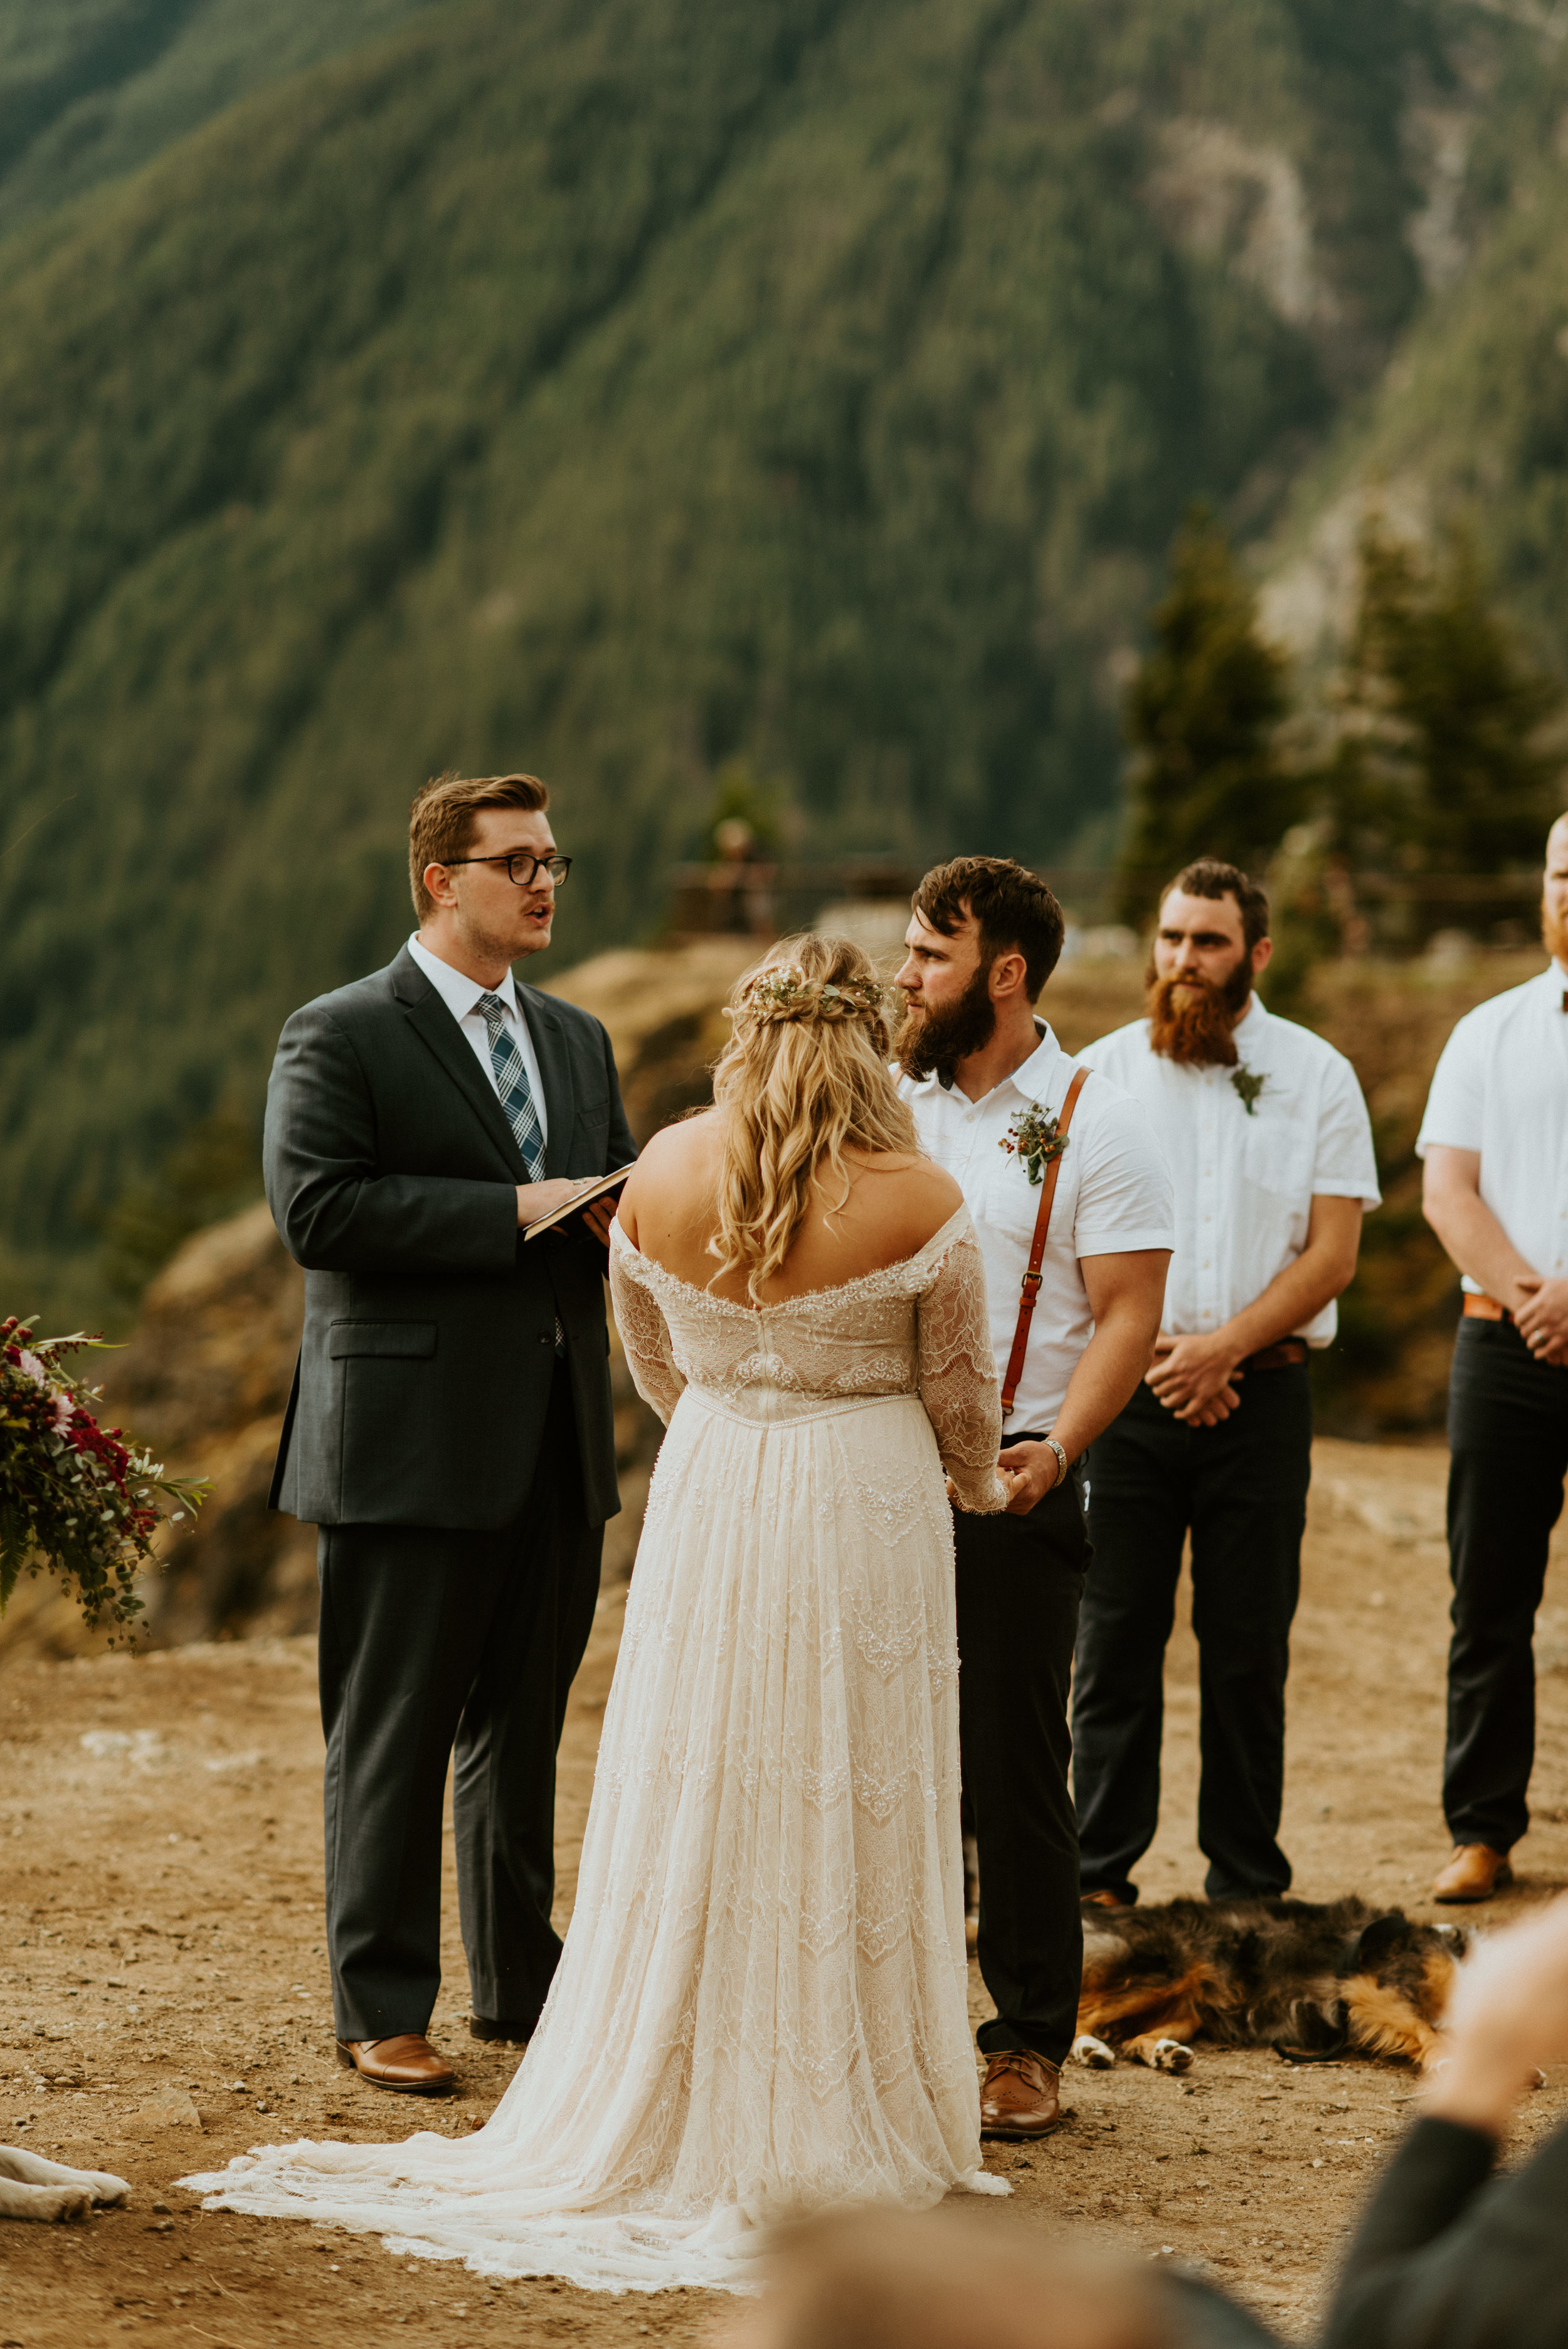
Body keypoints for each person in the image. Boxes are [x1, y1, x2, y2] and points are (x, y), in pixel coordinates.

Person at [185, 933, 1013, 2291]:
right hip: (858, 1506)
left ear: (745, 1033)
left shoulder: (664, 1173)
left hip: (711, 1498)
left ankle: (659, 2055)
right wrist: (976, 1480)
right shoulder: (918, 1196)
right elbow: (962, 1400)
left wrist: (739, 1428)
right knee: (838, 1777)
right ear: (866, 1040)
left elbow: (652, 1366)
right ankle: (836, 2074)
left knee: (700, 1779)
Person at [260, 770, 633, 2092]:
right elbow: (320, 1212)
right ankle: (381, 2007)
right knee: (392, 1730)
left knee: (519, 1729)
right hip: (403, 1445)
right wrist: (519, 1208)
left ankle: (522, 1995)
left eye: (554, 861)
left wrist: (622, 1220)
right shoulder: (340, 1031)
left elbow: (608, 1211)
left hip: (552, 1439)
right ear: (441, 879)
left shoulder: (581, 1039)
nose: (544, 881)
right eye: (517, 860)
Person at [894, 857, 1173, 2142]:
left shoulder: (1094, 1117)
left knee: (1009, 1767)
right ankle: (879, 2021)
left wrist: (1054, 1450)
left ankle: (1022, 2041)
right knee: (871, 1756)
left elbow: (1126, 1315)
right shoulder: (883, 1102)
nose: (905, 975)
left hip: (1013, 1476)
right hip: (870, 1470)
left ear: (1002, 974)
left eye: (928, 956)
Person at [1074, 860, 1377, 1909]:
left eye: (1207, 942)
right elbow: (1076, 1240)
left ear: (1257, 953)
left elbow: (1332, 1254)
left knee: (1248, 1646)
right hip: (1126, 1398)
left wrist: (1224, 1349)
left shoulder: (1320, 1076)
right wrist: (1164, 1356)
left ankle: (1246, 1881)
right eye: (1170, 939)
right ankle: (1098, 1869)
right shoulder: (1099, 1076)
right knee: (1114, 1639)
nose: (1183, 962)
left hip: (1265, 1400)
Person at [1416, 812, 1568, 1904]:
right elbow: (1446, 1189)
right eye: (1566, 874)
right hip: (1500, 1340)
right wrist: (1531, 1296)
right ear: (1543, 885)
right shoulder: (1488, 1031)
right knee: (1489, 1595)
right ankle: (1483, 1830)